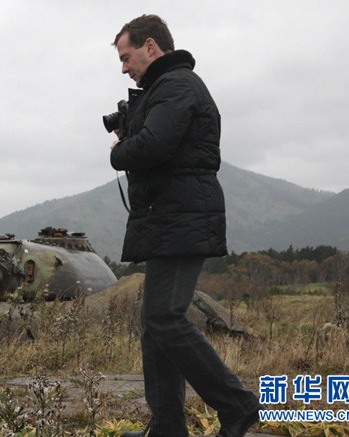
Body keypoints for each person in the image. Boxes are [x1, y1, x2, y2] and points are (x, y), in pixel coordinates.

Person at [108, 15, 262, 437]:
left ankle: (238, 405)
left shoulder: (176, 85)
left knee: (165, 318)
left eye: (126, 57)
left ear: (151, 46)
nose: (123, 68)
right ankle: (167, 426)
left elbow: (153, 146)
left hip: (181, 216)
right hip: (169, 216)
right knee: (154, 325)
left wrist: (119, 150)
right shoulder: (165, 88)